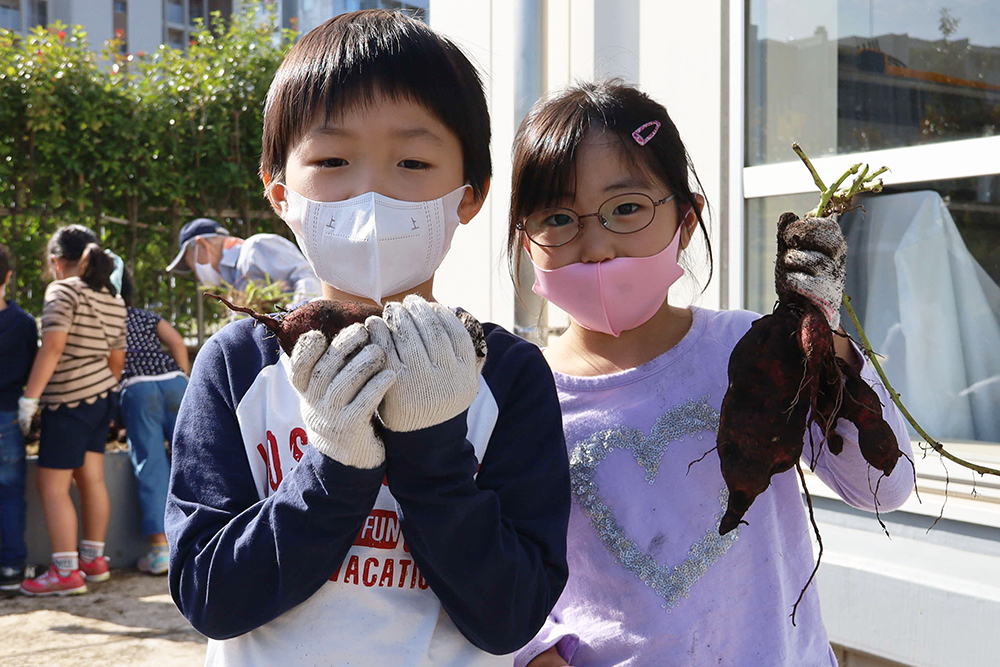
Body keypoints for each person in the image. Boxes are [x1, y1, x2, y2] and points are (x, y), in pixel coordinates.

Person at [165, 10, 570, 667]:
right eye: (331, 160)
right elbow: (211, 595)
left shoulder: (507, 373)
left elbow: (510, 616)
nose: (372, 191)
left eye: (413, 160)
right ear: (280, 194)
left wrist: (431, 444)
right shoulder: (238, 364)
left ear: (471, 194)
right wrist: (334, 466)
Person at [508, 81, 915, 667]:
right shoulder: (520, 400)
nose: (594, 245)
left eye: (627, 208)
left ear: (687, 221)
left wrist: (827, 344)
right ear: (527, 242)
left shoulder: (751, 350)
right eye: (559, 217)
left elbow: (884, 486)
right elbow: (497, 576)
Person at [18, 226, 127, 596]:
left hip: (67, 400)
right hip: (100, 398)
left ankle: (65, 571)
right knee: (91, 480)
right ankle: (93, 561)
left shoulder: (62, 291)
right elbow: (117, 358)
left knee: (51, 485)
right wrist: (102, 391)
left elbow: (52, 347)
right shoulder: (112, 296)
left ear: (56, 261)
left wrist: (29, 400)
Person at [118, 270, 189, 576]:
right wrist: (184, 375)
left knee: (151, 464)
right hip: (175, 383)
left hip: (138, 387)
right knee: (193, 458)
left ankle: (161, 551)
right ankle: (200, 536)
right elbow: (176, 342)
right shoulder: (145, 316)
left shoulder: (103, 319)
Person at [165, 218, 322, 303]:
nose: (196, 274)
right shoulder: (232, 281)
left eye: (192, 265)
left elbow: (307, 277)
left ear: (202, 245)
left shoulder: (255, 248)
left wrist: (298, 319)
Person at [0, 244, 38, 592]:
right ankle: (11, 569)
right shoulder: (23, 323)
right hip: (9, 417)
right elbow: (32, 370)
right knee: (10, 494)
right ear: (8, 276)